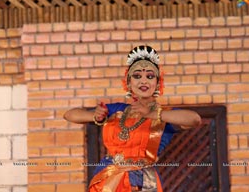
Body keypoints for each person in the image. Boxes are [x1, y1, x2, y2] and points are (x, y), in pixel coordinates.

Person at [63, 45, 201, 192]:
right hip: (109, 178)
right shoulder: (117, 110)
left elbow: (194, 119)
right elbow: (69, 115)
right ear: (128, 82)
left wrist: (154, 114)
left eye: (149, 76)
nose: (143, 81)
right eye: (137, 76)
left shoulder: (165, 115)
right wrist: (95, 115)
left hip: (142, 181)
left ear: (158, 83)